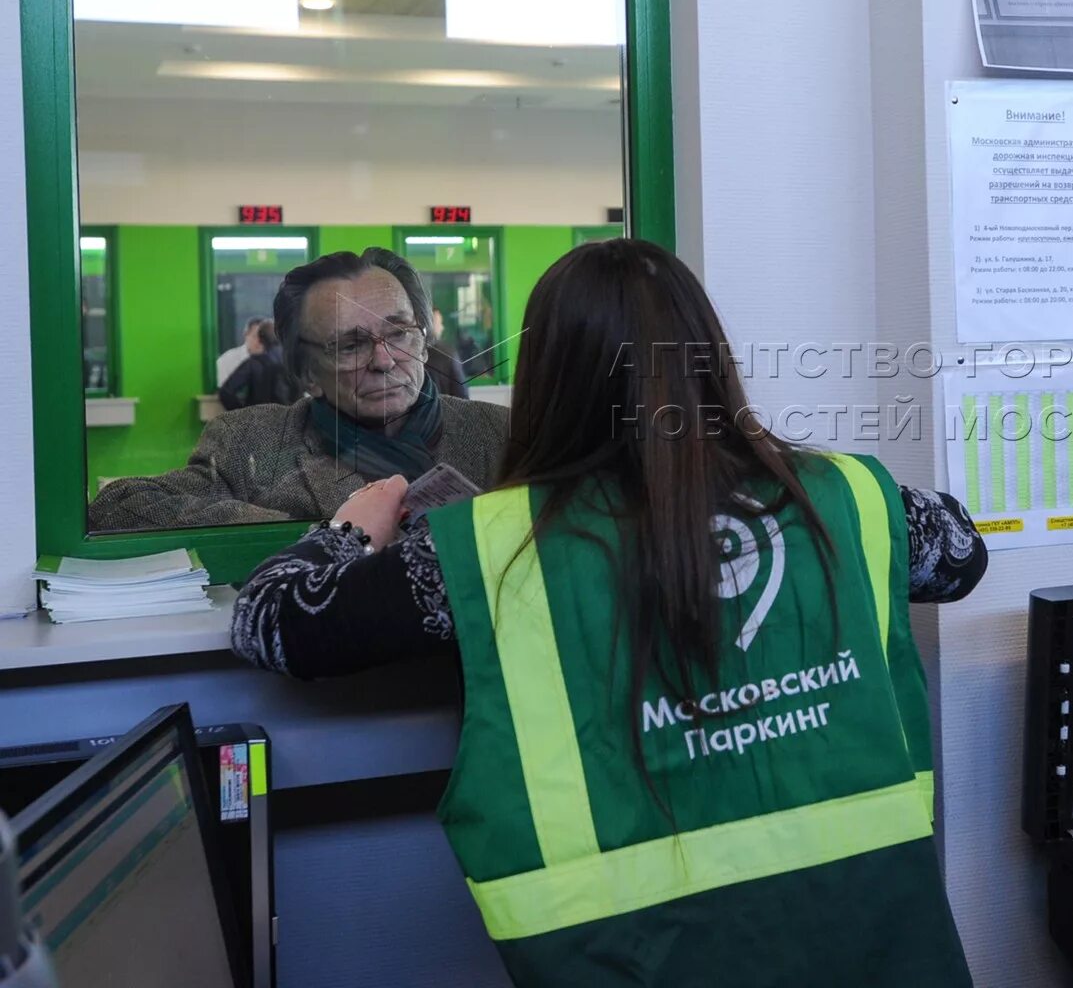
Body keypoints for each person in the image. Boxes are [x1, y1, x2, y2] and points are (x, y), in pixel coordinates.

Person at [231, 239, 985, 986]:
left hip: (635, 959)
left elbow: (274, 620)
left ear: (553, 379)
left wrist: (354, 529)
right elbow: (959, 554)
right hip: (875, 946)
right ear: (707, 358)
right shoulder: (849, 498)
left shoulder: (492, 546)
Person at [88, 248, 508, 531]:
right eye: (350, 345)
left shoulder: (501, 435)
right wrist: (321, 534)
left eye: (399, 334)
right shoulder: (251, 442)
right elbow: (117, 506)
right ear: (306, 373)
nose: (384, 361)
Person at [217, 320, 301, 411]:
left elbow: (226, 392)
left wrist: (243, 413)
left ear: (260, 339)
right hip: (288, 420)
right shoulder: (293, 362)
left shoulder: (253, 363)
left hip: (259, 419)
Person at [424, 307, 470, 399]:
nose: (442, 327)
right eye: (439, 323)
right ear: (429, 325)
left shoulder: (407, 352)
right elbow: (462, 395)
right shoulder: (448, 353)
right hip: (446, 411)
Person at [215, 316, 265, 388]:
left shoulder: (273, 360)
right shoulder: (227, 359)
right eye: (255, 336)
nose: (260, 341)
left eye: (263, 337)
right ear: (246, 335)